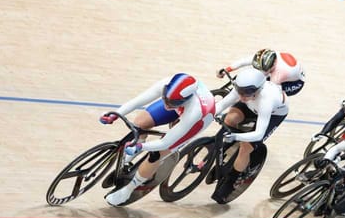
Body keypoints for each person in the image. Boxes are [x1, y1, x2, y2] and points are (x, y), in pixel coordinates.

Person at [99, 73, 215, 206]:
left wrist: (141, 147)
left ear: (186, 99)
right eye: (165, 99)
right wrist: (116, 114)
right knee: (140, 122)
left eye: (172, 103)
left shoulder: (195, 111)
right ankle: (133, 154)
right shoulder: (169, 87)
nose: (167, 105)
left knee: (157, 154)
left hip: (199, 119)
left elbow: (165, 142)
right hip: (179, 104)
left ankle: (129, 189)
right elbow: (138, 101)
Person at [211, 67, 289, 203]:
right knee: (229, 119)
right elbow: (222, 104)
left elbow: (258, 134)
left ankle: (231, 182)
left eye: (246, 93)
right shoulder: (244, 90)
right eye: (240, 92)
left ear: (258, 89)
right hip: (252, 105)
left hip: (273, 114)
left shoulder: (267, 100)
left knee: (246, 147)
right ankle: (223, 154)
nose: (241, 96)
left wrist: (237, 137)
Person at [217, 48, 305, 96]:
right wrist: (226, 70)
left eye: (264, 69)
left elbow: (271, 91)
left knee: (265, 93)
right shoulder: (262, 57)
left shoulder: (280, 73)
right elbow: (242, 62)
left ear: (272, 66)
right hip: (286, 69)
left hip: (294, 83)